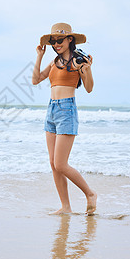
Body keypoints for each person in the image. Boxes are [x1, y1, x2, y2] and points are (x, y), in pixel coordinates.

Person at [32, 23, 97, 215]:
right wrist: (39, 56)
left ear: (70, 40)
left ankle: (90, 194)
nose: (56, 44)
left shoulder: (78, 61)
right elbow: (36, 80)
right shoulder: (54, 62)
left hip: (67, 110)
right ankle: (66, 207)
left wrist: (88, 69)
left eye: (60, 40)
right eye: (53, 41)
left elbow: (89, 87)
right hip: (51, 111)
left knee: (61, 164)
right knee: (53, 164)